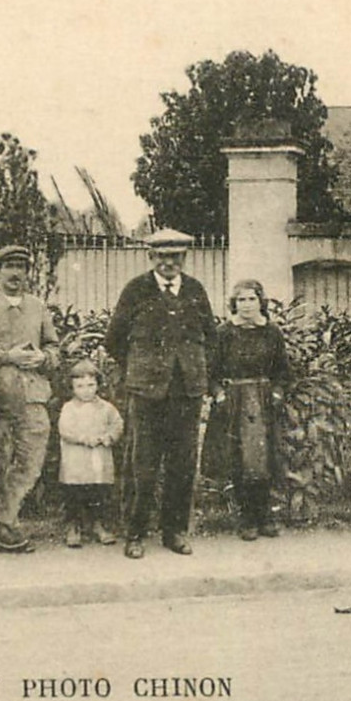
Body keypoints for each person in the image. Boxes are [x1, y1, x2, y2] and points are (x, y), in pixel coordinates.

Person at [104, 228, 216, 558]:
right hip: (146, 392)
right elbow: (114, 340)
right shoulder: (136, 290)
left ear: (184, 258)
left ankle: (174, 531)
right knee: (144, 465)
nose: (169, 263)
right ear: (151, 257)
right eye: (162, 257)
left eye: (176, 257)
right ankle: (135, 532)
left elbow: (211, 337)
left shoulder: (195, 290)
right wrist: (142, 368)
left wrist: (194, 371)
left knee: (182, 465)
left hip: (187, 392)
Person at [0, 244, 60, 553]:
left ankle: (2, 519)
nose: (16, 272)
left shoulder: (37, 306)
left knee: (31, 459)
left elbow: (55, 349)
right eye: (9, 266)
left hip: (32, 395)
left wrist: (44, 357)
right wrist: (8, 356)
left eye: (21, 266)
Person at [204, 279, 292, 541]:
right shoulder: (224, 333)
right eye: (241, 300)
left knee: (264, 458)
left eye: (251, 299)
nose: (246, 305)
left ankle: (265, 515)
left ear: (261, 302)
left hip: (264, 401)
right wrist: (219, 395)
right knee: (240, 459)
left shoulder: (272, 332)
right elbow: (211, 372)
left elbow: (283, 372)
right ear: (234, 303)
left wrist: (277, 392)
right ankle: (246, 518)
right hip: (234, 403)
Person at [57, 359, 123, 548]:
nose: (86, 390)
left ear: (98, 385)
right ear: (72, 387)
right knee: (75, 494)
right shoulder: (69, 408)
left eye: (90, 385)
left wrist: (107, 437)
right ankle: (73, 527)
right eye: (80, 386)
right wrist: (84, 438)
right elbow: (65, 429)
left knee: (99, 493)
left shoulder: (106, 407)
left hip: (98, 460)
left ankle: (98, 525)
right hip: (76, 461)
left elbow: (117, 424)